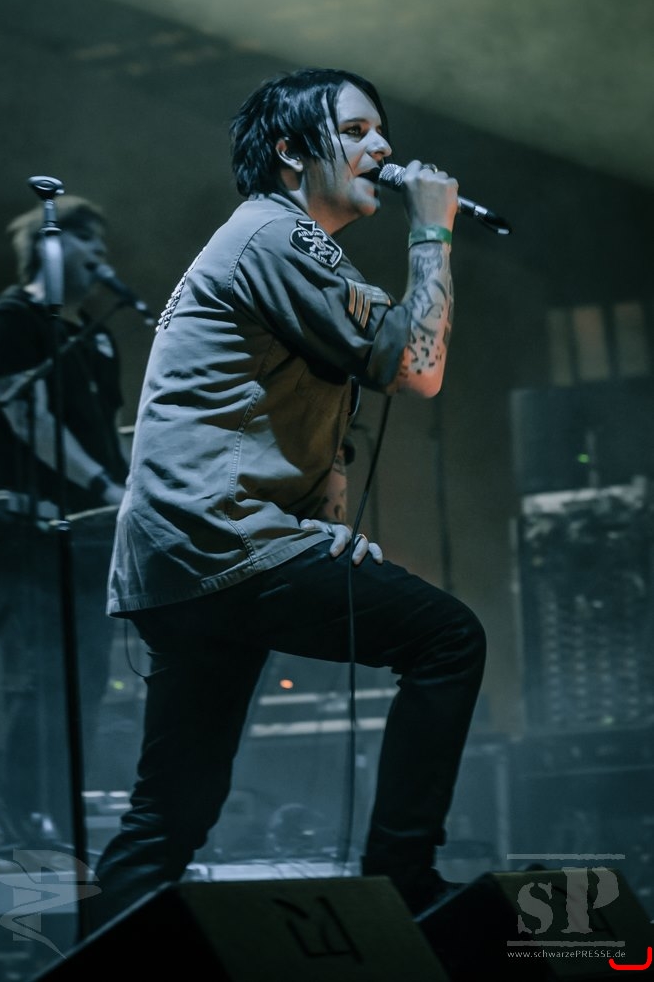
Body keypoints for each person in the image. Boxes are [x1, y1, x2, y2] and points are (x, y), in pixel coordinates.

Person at [89, 67, 487, 928]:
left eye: (381, 130)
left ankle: (100, 953)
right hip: (225, 542)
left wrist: (322, 531)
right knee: (449, 639)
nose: (382, 147)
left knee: (172, 812)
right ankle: (405, 881)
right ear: (290, 151)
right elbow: (415, 368)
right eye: (356, 131)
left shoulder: (280, 244)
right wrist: (432, 232)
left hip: (188, 554)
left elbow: (278, 414)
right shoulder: (275, 235)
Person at [0, 194, 130, 844]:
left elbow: (108, 435)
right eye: (91, 243)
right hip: (33, 531)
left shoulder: (94, 335)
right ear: (51, 243)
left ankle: (59, 822)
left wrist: (135, 485)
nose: (103, 258)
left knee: (86, 679)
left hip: (92, 532)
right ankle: (22, 824)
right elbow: (28, 419)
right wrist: (102, 484)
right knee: (45, 678)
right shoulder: (9, 321)